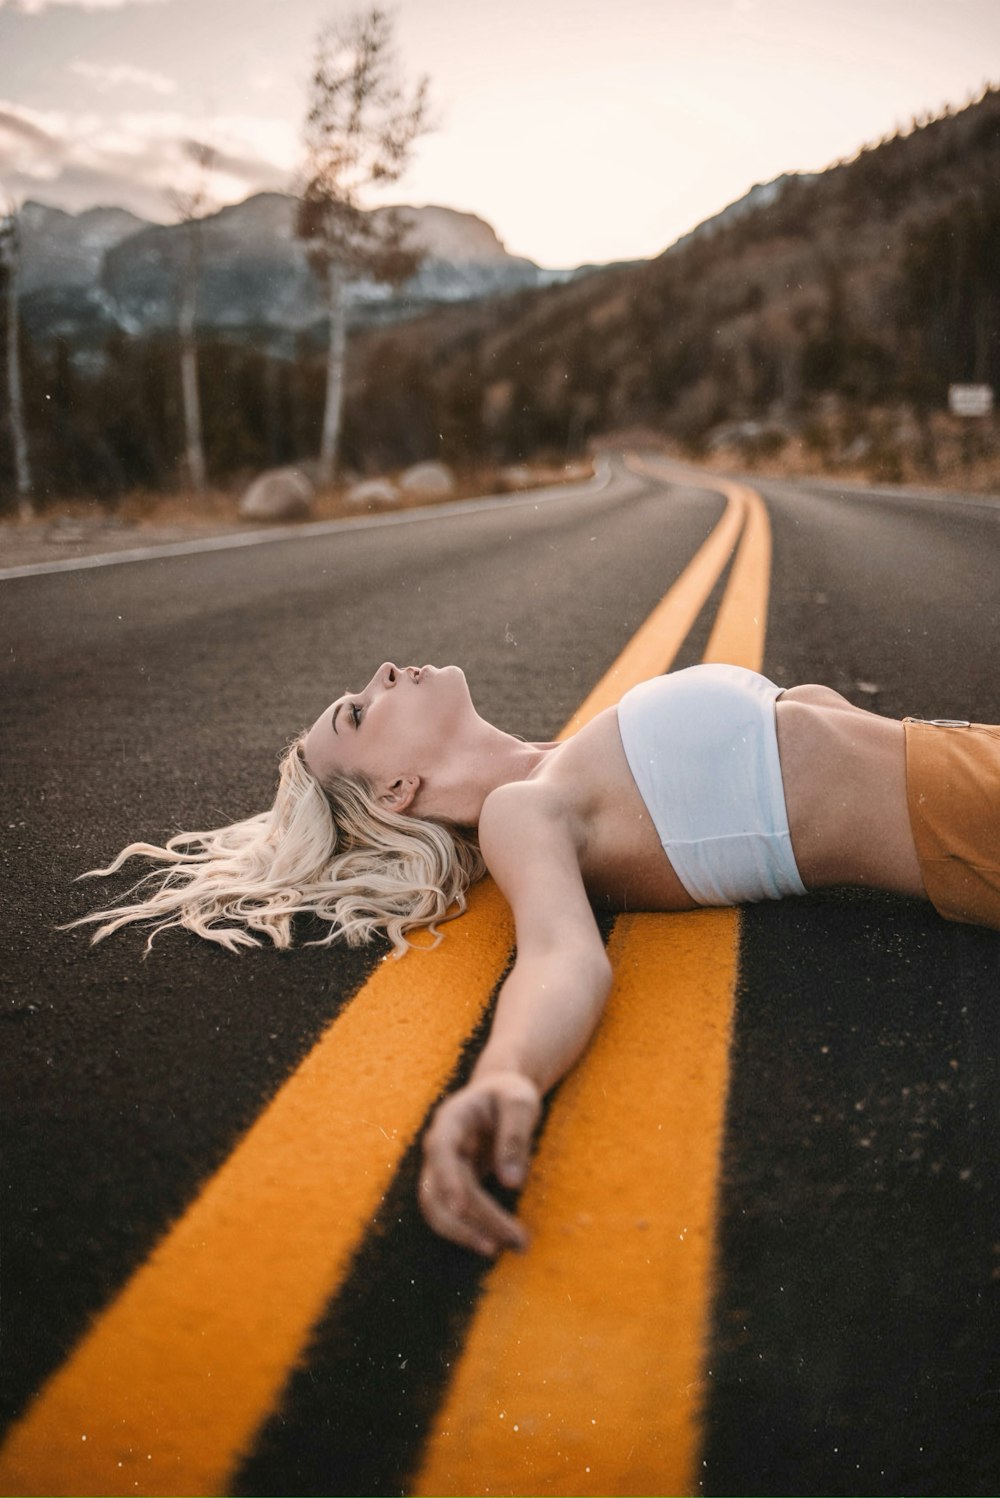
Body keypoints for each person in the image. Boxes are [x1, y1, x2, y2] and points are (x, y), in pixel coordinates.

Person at [74, 660, 1000, 1256]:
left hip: (960, 768)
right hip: (959, 814)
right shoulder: (527, 809)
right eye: (360, 709)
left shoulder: (560, 761)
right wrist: (506, 1075)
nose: (383, 672)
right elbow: (561, 955)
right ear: (396, 790)